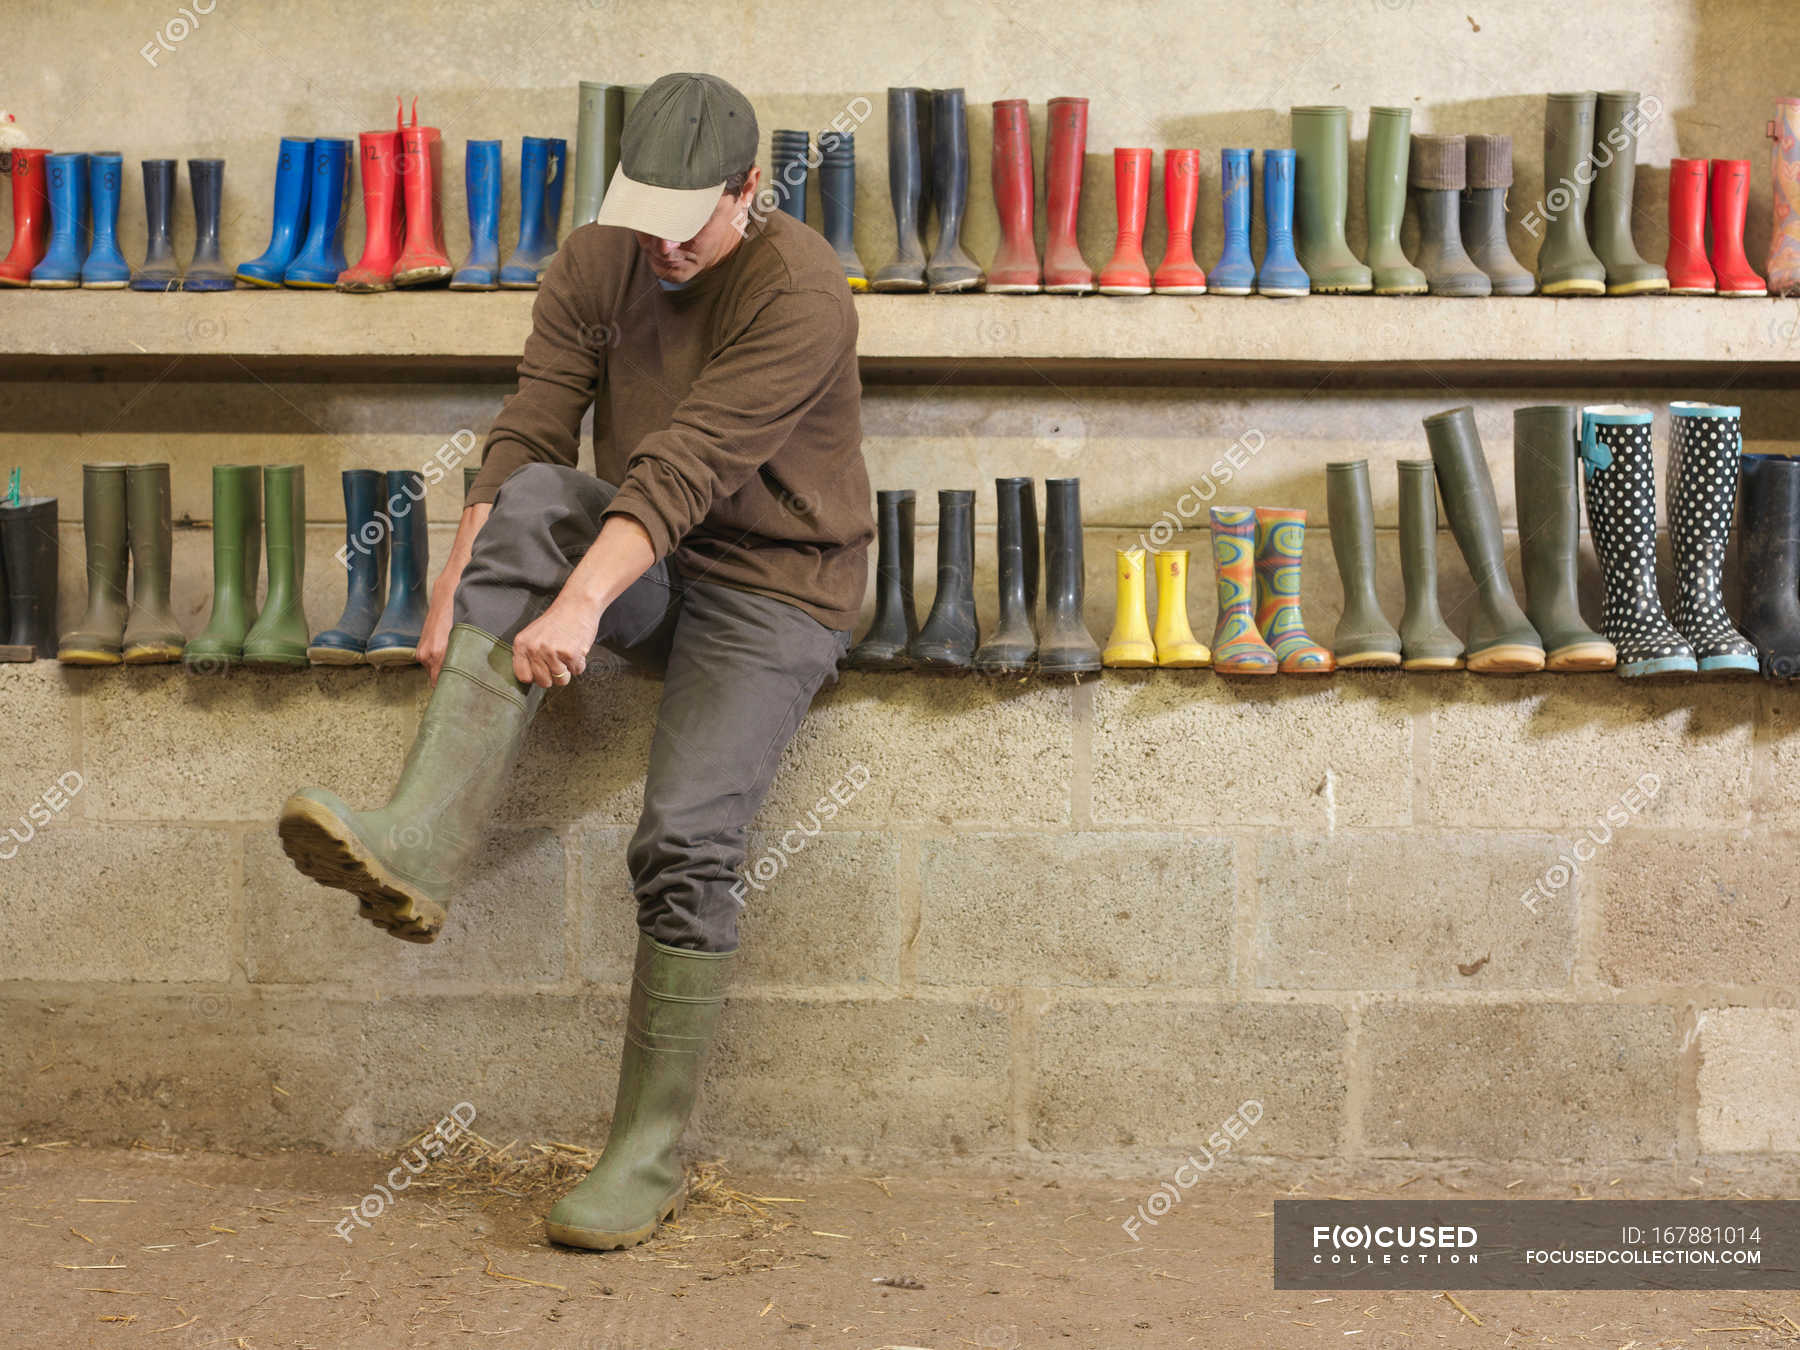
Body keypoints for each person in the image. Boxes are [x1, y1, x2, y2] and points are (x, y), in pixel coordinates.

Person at [276, 71, 872, 1251]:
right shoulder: (601, 258)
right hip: (647, 558)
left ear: (749, 191)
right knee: (539, 493)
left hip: (776, 585)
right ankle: (416, 846)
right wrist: (461, 590)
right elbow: (535, 426)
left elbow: (689, 464)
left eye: (683, 218)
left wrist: (578, 606)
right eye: (638, 208)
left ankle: (645, 1159)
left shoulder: (800, 285)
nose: (656, 240)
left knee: (686, 841)